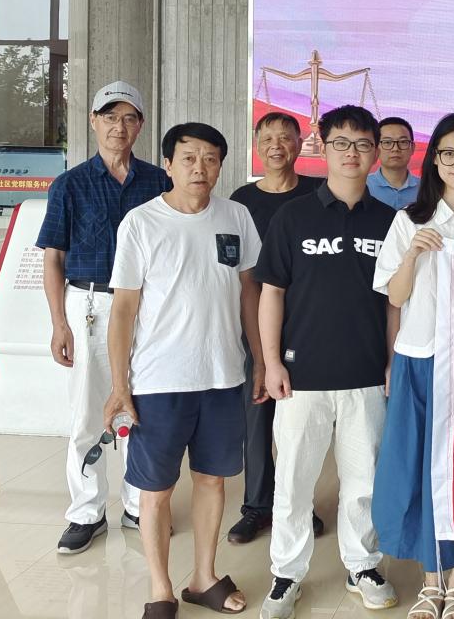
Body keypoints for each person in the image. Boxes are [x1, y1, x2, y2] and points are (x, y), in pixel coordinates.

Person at [104, 123, 266, 618]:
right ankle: (160, 589)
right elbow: (123, 310)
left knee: (213, 482)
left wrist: (260, 360)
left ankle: (203, 577)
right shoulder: (141, 223)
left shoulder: (236, 216)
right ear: (168, 165)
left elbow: (249, 293)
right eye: (189, 158)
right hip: (159, 381)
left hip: (222, 376)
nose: (201, 168)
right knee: (156, 492)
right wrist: (119, 386)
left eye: (211, 158)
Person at [256, 105, 399, 618]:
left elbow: (395, 303)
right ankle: (287, 574)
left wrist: (391, 362)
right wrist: (272, 362)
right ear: (323, 147)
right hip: (302, 377)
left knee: (363, 482)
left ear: (375, 153)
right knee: (294, 482)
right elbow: (271, 293)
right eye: (342, 142)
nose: (352, 153)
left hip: (366, 375)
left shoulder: (390, 222)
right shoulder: (293, 217)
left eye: (362, 144)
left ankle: (362, 565)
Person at [372, 114, 454, 619]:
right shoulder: (409, 220)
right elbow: (395, 296)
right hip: (421, 358)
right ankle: (432, 581)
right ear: (434, 162)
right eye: (449, 153)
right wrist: (413, 255)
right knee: (422, 468)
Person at [38, 81, 169, 554]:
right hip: (90, 305)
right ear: (93, 121)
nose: (119, 126)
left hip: (148, 309)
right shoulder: (69, 184)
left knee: (144, 407)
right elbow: (54, 257)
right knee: (88, 412)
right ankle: (86, 511)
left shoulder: (159, 182)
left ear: (141, 125)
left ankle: (137, 505)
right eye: (110, 117)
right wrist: (60, 322)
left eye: (129, 117)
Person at [227, 112, 323, 546]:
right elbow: (241, 273)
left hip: (306, 323)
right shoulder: (241, 201)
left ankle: (300, 504)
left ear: (300, 144)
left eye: (286, 138)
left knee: (304, 423)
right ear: (256, 145)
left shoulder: (317, 194)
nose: (276, 146)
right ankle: (256, 506)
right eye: (267, 139)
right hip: (256, 322)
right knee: (258, 416)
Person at [368, 115, 420, 210]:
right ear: (376, 148)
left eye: (403, 142)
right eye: (387, 142)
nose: (395, 149)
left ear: (412, 148)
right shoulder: (363, 186)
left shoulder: (426, 188)